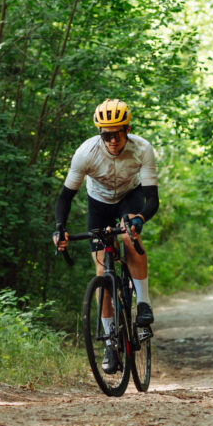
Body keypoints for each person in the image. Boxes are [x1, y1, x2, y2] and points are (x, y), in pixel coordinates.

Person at [53, 98, 159, 373]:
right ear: (100, 134)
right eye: (107, 135)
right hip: (98, 202)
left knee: (127, 235)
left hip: (129, 197)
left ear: (128, 129)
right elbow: (65, 196)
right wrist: (59, 228)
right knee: (102, 272)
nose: (113, 140)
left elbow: (152, 199)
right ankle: (111, 345)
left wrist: (140, 218)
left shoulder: (143, 149)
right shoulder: (86, 153)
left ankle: (144, 305)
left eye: (119, 133)